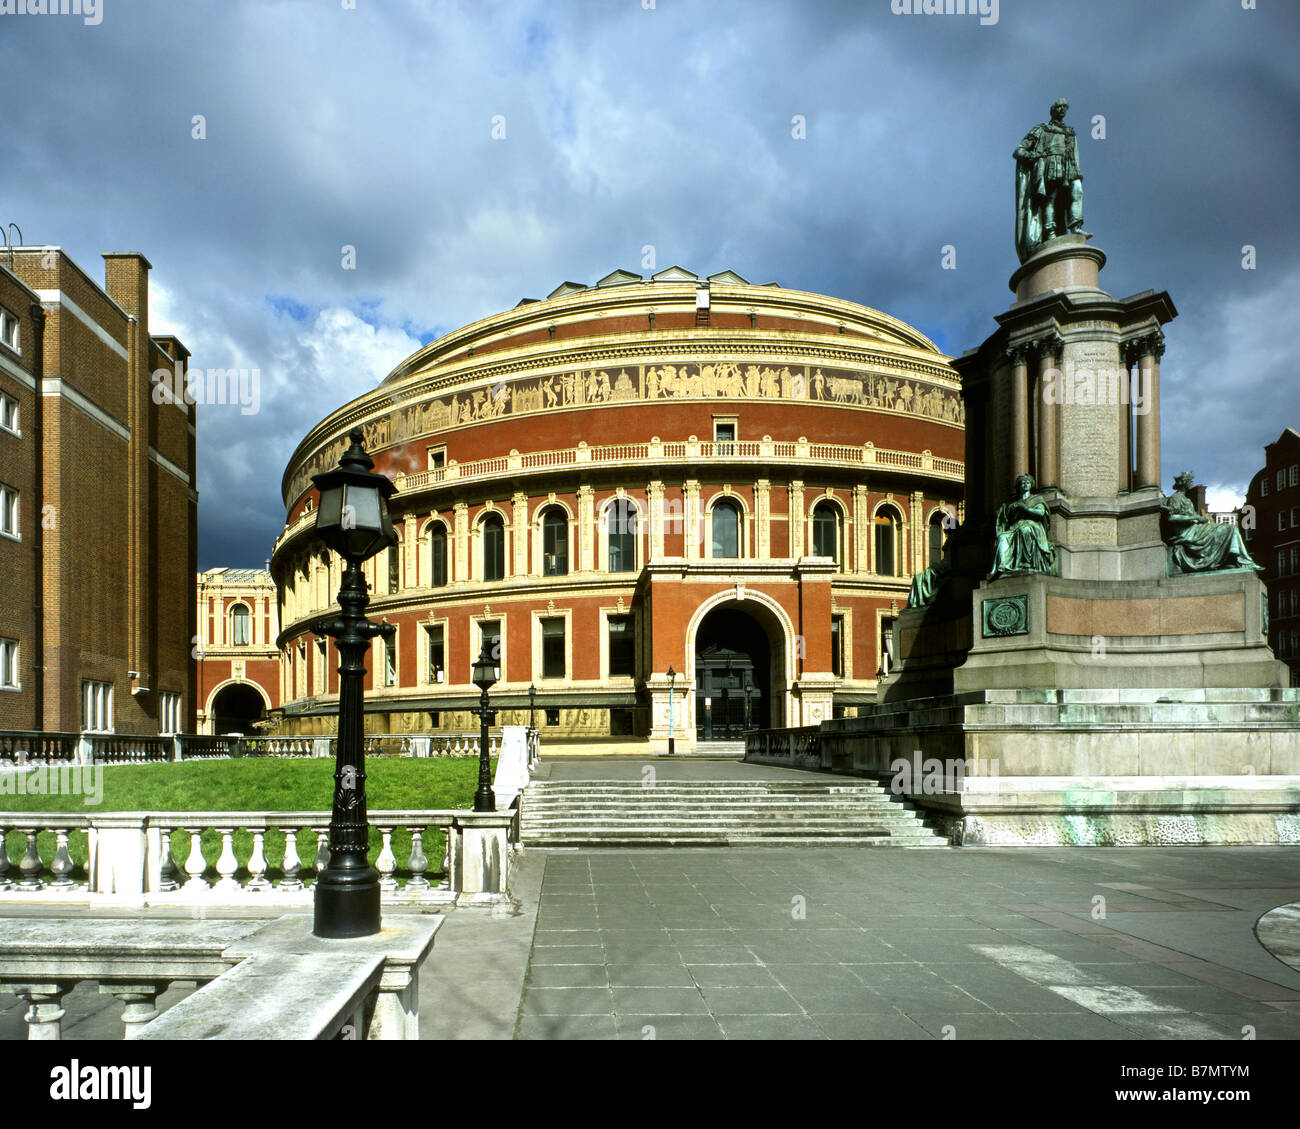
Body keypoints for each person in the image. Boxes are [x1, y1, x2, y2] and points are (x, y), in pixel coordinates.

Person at [1014, 98, 1089, 263]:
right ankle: (1050, 232)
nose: (1062, 109)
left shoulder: (1070, 132)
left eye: (1065, 107)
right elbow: (1019, 151)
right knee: (1051, 199)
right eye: (1059, 106)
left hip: (1069, 167)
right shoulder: (1041, 129)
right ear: (1053, 110)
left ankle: (1076, 226)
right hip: (1049, 165)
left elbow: (1073, 153)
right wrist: (1034, 156)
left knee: (1077, 190)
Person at [1161, 471, 1261, 573]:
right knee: (1229, 529)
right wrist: (1195, 519)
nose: (1191, 483)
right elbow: (1172, 518)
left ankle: (1234, 560)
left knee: (1230, 528)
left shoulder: (1187, 500)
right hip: (1186, 532)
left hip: (1194, 528)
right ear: (1184, 482)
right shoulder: (1176, 498)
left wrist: (1199, 519)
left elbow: (1190, 516)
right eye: (1189, 481)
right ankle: (1239, 561)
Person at [989, 474, 1056, 579]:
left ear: (1031, 485)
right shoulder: (1013, 503)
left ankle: (1026, 562)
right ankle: (1003, 566)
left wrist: (1025, 508)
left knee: (1024, 530)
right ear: (1019, 486)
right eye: (1023, 483)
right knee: (1003, 537)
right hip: (1014, 527)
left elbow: (1041, 513)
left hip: (1032, 525)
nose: (1025, 484)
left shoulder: (1036, 499)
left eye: (1028, 482)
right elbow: (1006, 519)